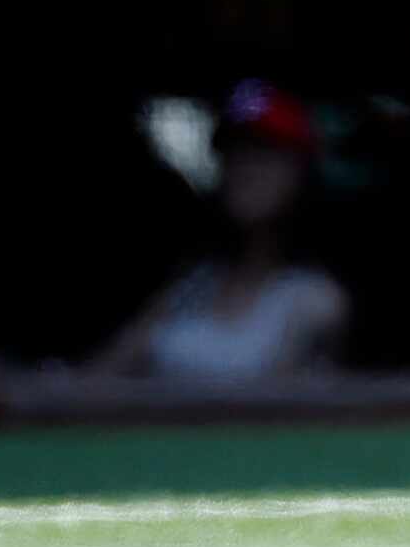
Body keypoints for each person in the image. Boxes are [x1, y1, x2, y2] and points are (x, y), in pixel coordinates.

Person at [90, 80, 350, 385]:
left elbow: (269, 416)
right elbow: (96, 381)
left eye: (263, 153)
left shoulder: (315, 301)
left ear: (301, 175)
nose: (245, 170)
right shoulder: (189, 285)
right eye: (234, 151)